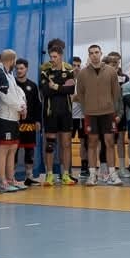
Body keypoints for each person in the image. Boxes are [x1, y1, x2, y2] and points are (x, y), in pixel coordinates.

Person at [75, 43, 122, 186]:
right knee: (92, 143)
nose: (94, 55)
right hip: (91, 114)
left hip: (108, 113)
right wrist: (87, 108)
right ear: (89, 55)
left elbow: (116, 92)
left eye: (96, 52)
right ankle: (92, 175)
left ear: (101, 53)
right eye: (91, 53)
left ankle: (112, 174)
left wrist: (111, 107)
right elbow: (80, 94)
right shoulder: (82, 73)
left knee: (109, 143)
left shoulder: (111, 71)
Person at [0, 49, 27, 192]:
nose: (15, 64)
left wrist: (23, 106)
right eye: (15, 60)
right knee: (3, 149)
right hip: (2, 118)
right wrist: (19, 107)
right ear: (11, 60)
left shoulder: (9, 74)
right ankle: (2, 181)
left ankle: (10, 179)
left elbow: (18, 92)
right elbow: (4, 96)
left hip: (13, 118)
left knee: (12, 149)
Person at [39, 39, 76, 185]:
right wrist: (61, 87)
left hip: (66, 112)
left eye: (55, 57)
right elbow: (45, 92)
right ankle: (49, 175)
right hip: (50, 112)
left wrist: (55, 86)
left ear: (61, 56)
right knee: (50, 144)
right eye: (51, 57)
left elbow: (71, 89)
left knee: (66, 144)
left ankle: (65, 174)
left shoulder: (69, 70)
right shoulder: (45, 70)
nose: (52, 59)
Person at [15, 58, 44, 186]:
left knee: (29, 150)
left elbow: (38, 105)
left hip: (30, 123)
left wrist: (38, 121)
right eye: (17, 69)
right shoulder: (12, 85)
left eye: (21, 68)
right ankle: (11, 177)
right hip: (15, 122)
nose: (19, 71)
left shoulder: (33, 85)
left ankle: (29, 176)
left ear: (26, 69)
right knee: (13, 150)